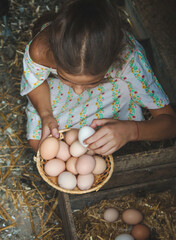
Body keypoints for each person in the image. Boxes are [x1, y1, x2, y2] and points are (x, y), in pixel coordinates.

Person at [20, 0, 176, 155]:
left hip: (110, 90)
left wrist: (131, 131)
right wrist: (46, 114)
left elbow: (170, 123)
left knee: (88, 147)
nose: (79, 91)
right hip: (61, 93)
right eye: (66, 77)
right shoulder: (42, 50)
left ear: (114, 60)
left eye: (92, 81)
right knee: (38, 143)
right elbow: (35, 82)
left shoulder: (129, 60)